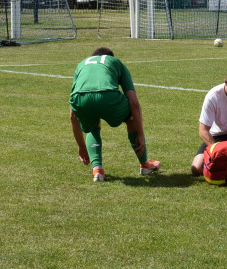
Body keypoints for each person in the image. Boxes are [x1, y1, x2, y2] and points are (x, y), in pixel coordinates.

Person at [69, 47, 161, 182]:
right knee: (131, 118)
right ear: (110, 57)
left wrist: (81, 147)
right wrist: (140, 134)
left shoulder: (81, 64)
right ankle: (145, 165)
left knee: (92, 124)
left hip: (80, 99)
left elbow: (73, 115)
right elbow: (133, 102)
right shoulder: (116, 62)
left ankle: (98, 169)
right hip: (108, 96)